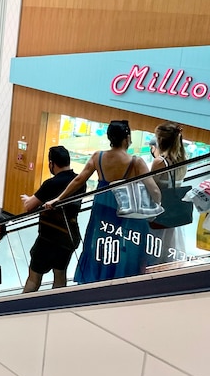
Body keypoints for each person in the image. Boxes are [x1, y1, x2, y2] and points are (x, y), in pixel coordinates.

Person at [46, 120, 161, 283]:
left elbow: (79, 179)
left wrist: (58, 198)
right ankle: (118, 278)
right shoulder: (136, 162)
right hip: (124, 208)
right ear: (127, 138)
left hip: (101, 206)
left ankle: (96, 278)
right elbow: (154, 190)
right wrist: (157, 207)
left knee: (99, 242)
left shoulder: (98, 156)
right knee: (122, 244)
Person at [21, 146, 85, 293]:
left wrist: (28, 200)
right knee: (60, 275)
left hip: (48, 238)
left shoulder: (50, 183)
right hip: (68, 237)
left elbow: (29, 206)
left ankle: (22, 309)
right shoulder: (80, 181)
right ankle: (57, 307)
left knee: (34, 278)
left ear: (52, 163)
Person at [150, 122, 188, 263]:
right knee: (168, 250)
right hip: (174, 213)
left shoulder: (159, 162)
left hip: (159, 213)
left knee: (154, 250)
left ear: (160, 140)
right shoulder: (182, 160)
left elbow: (150, 185)